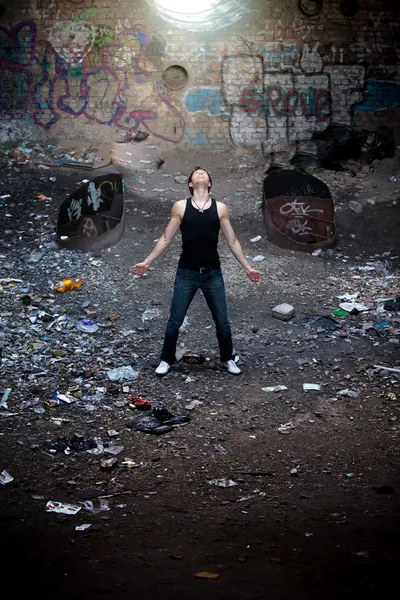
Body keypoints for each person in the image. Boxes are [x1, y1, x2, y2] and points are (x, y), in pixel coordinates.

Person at [132, 166, 261, 376]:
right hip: (186, 273)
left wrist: (247, 268)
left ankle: (228, 358)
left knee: (222, 320)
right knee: (175, 318)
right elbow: (166, 237)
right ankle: (166, 359)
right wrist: (147, 262)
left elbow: (232, 240)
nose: (201, 173)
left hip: (212, 274)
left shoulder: (221, 208)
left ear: (209, 183)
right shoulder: (180, 207)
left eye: (205, 173)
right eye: (196, 173)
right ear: (191, 184)